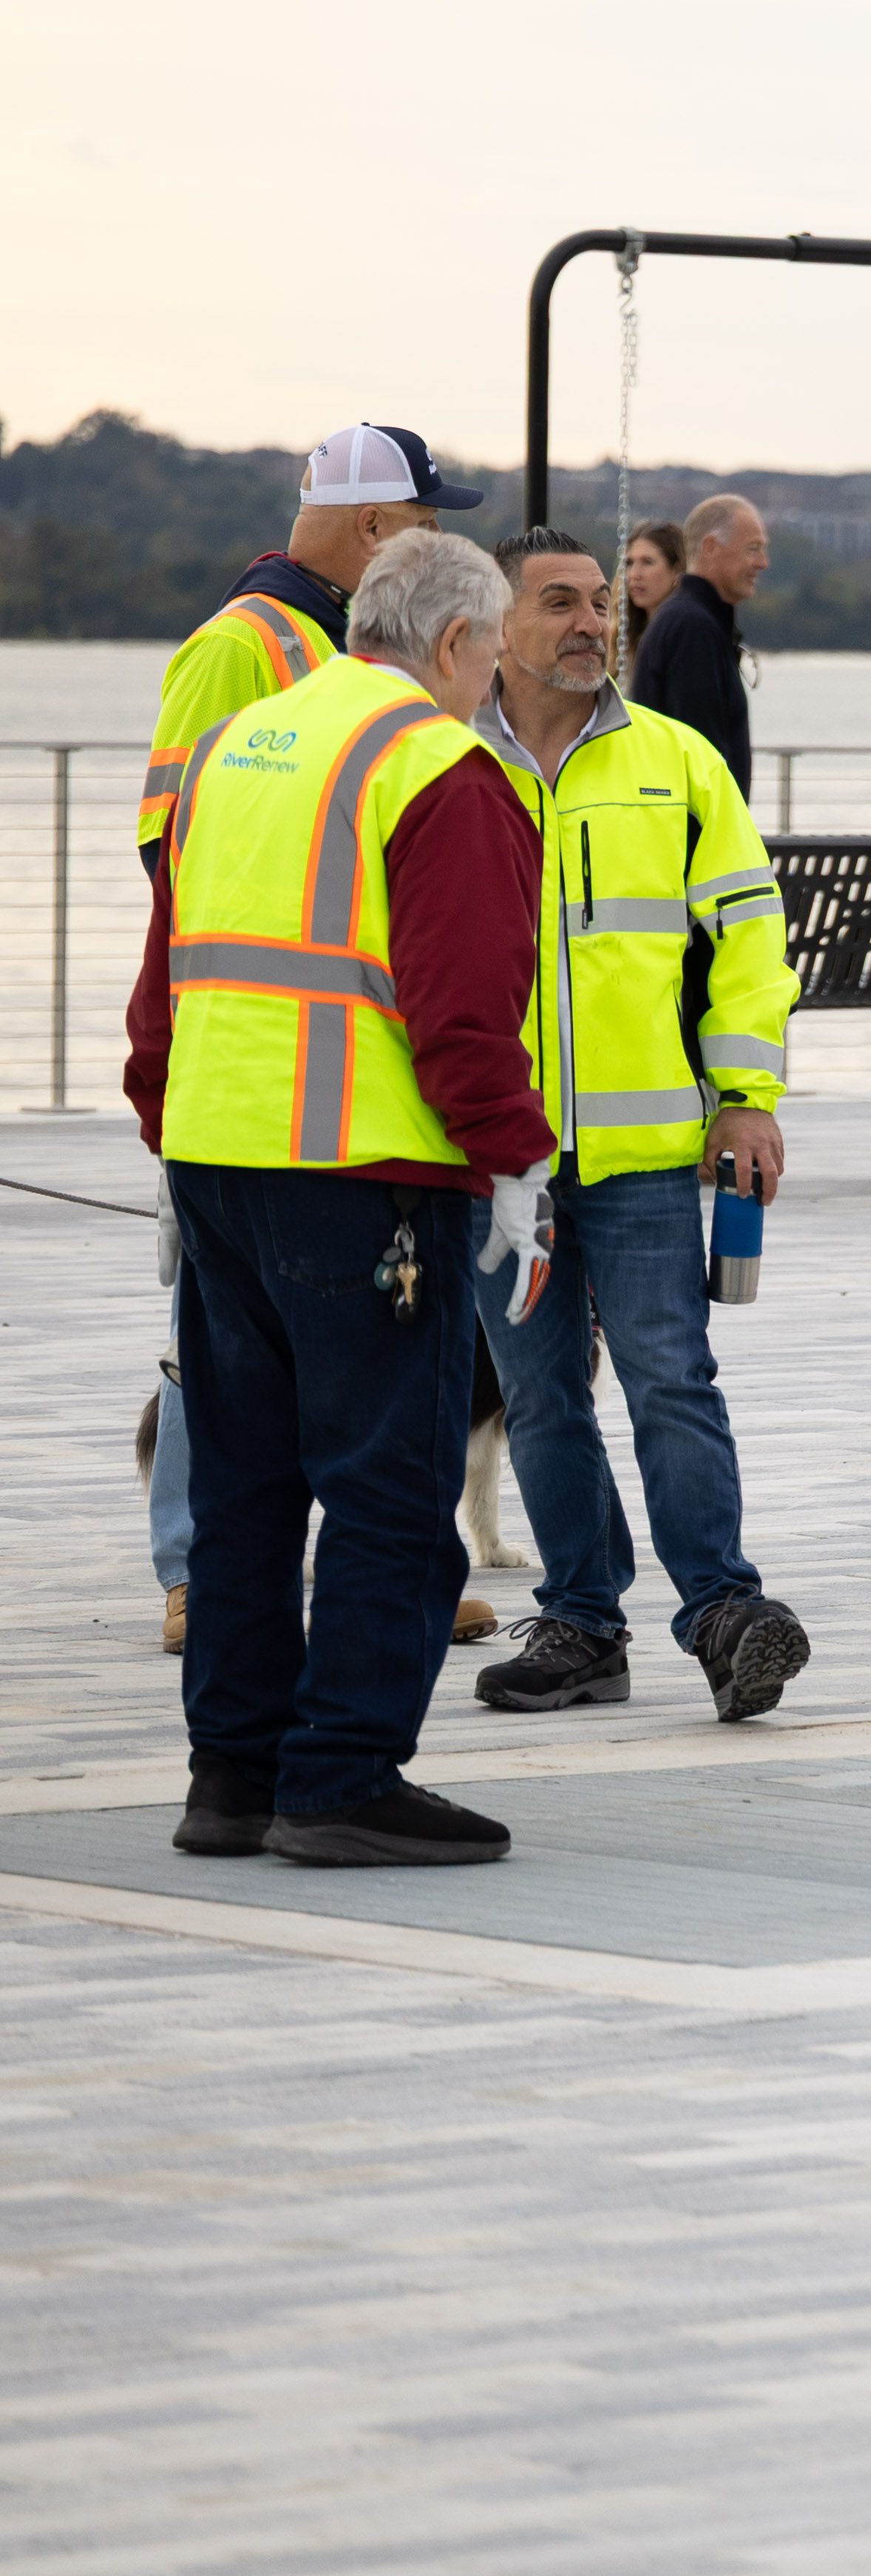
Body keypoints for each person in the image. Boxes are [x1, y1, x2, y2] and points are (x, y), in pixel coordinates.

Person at [127, 528, 557, 1868]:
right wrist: (520, 1166)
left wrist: (170, 1130)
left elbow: (163, 986)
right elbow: (466, 1008)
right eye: (492, 651)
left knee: (246, 1492)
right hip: (368, 1186)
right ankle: (344, 1775)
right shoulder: (442, 769)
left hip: (216, 1166)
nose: (495, 678)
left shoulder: (235, 752)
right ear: (449, 644)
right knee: (389, 1487)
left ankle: (232, 1782)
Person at [132, 421, 489, 1653]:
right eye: (431, 517)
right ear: (380, 527)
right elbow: (181, 860)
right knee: (231, 1370)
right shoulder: (245, 647)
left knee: (270, 1372)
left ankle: (319, 1629)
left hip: (281, 1084)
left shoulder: (322, 641)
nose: (442, 536)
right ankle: (191, 1574)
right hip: (266, 1081)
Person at [458, 526, 813, 1724]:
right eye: (558, 601)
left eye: (601, 601)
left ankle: (726, 1613)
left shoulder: (677, 764)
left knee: (672, 1383)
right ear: (490, 626)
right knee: (542, 1399)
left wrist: (748, 1094)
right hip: (493, 1160)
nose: (590, 622)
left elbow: (750, 942)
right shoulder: (443, 766)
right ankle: (580, 1626)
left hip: (651, 1158)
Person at [629, 493, 764, 793]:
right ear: (711, 548)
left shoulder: (691, 620)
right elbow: (702, 764)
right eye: (752, 549)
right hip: (698, 836)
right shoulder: (693, 628)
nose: (763, 563)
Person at [618, 519, 687, 668]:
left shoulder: (686, 639)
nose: (634, 574)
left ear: (677, 570)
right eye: (630, 563)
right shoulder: (623, 641)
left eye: (647, 562)